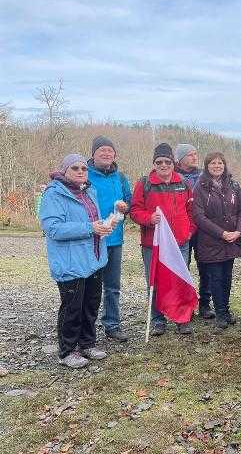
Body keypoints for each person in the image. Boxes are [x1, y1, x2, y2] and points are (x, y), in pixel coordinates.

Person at [40, 154, 113, 368]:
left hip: (93, 260)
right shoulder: (54, 195)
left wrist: (104, 225)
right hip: (70, 263)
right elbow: (52, 228)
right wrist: (90, 228)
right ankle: (67, 351)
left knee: (90, 305)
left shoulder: (89, 191)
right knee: (72, 308)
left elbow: (93, 222)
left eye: (84, 168)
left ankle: (87, 343)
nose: (81, 171)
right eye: (75, 168)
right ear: (65, 171)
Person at [130, 143, 197, 336]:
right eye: (159, 162)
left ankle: (181, 318)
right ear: (154, 163)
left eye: (167, 161)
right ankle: (157, 320)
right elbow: (134, 210)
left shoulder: (184, 183)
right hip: (154, 244)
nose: (163, 165)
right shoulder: (144, 184)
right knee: (154, 282)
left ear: (173, 163)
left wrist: (189, 231)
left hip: (180, 243)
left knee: (180, 280)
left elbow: (192, 211)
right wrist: (149, 219)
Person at [193, 151, 241, 329]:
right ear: (207, 167)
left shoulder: (233, 185)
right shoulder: (200, 187)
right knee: (215, 277)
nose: (217, 166)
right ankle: (221, 313)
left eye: (220, 163)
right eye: (213, 163)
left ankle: (226, 309)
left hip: (232, 239)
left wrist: (238, 231)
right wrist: (221, 233)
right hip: (211, 240)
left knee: (227, 276)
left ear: (224, 165)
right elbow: (199, 217)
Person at [87, 135, 132, 342]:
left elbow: (129, 204)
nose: (106, 153)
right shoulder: (84, 175)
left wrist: (125, 207)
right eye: (101, 150)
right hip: (91, 239)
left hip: (114, 240)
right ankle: (87, 327)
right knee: (89, 286)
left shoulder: (120, 177)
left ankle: (112, 324)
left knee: (112, 286)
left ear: (114, 154)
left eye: (109, 150)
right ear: (93, 154)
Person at [174, 143, 213, 319]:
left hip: (204, 227)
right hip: (184, 227)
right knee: (183, 266)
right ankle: (185, 304)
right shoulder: (173, 176)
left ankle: (205, 303)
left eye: (196, 154)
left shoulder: (205, 176)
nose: (195, 157)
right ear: (180, 159)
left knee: (205, 266)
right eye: (190, 155)